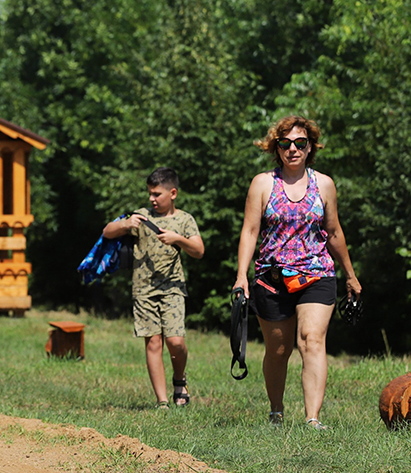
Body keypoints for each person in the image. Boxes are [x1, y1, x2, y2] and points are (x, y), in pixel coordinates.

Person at [232, 115, 361, 430]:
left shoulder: (324, 184)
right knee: (278, 349)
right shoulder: (263, 183)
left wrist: (351, 275)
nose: (292, 149)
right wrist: (241, 276)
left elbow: (333, 232)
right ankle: (276, 411)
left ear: (310, 147)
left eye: (300, 143)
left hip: (317, 273)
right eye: (285, 143)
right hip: (272, 277)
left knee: (312, 340)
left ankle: (313, 418)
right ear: (276, 147)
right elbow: (250, 231)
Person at [102, 167, 205, 408]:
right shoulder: (141, 216)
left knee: (176, 342)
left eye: (157, 194)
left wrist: (177, 239)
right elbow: (107, 232)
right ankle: (162, 401)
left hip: (173, 288)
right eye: (150, 193)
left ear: (173, 193)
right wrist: (126, 224)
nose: (152, 199)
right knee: (153, 342)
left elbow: (199, 251)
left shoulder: (184, 220)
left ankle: (180, 379)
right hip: (143, 288)